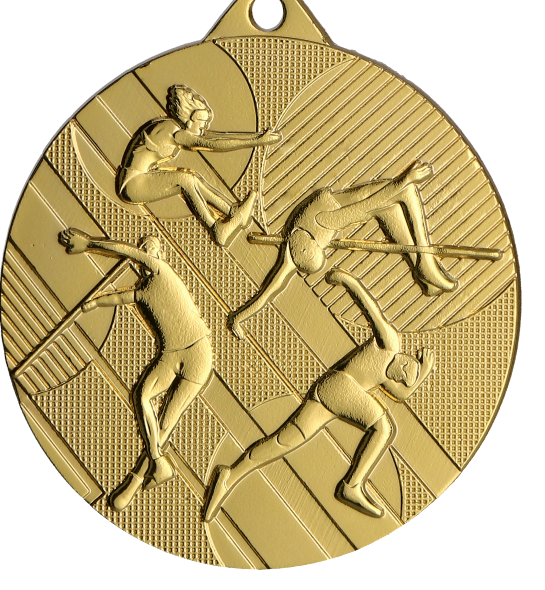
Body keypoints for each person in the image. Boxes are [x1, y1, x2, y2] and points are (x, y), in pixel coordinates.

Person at [203, 268, 435, 522]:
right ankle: (352, 486)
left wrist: (423, 374)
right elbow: (370, 309)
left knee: (282, 442)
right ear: (402, 359)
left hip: (330, 393)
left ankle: (230, 475)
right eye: (403, 370)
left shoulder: (390, 375)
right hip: (340, 387)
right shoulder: (389, 343)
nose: (397, 376)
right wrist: (346, 279)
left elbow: (401, 394)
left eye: (401, 378)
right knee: (383, 427)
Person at [59, 228, 214, 511]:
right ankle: (157, 460)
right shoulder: (143, 292)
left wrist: (89, 244)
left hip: (197, 351)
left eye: (148, 248)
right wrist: (94, 303)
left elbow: (128, 251)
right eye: (143, 249)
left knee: (166, 423)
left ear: (159, 253)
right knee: (142, 396)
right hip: (171, 355)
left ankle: (134, 484)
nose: (144, 253)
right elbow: (120, 298)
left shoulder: (162, 271)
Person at [228, 159, 457, 339]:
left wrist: (406, 178)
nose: (322, 247)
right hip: (355, 205)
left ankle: (425, 264)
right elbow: (268, 293)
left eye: (316, 249)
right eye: (321, 250)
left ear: (307, 245)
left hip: (352, 203)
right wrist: (238, 318)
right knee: (395, 205)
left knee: (405, 191)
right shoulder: (292, 252)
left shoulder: (320, 222)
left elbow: (367, 205)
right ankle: (425, 270)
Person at [117, 84, 282, 247]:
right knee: (184, 180)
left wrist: (257, 137)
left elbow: (214, 137)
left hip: (139, 179)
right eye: (202, 123)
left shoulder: (173, 128)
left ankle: (233, 212)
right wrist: (258, 141)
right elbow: (212, 143)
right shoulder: (174, 132)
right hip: (132, 184)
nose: (204, 129)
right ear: (190, 121)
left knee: (192, 179)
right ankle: (216, 228)